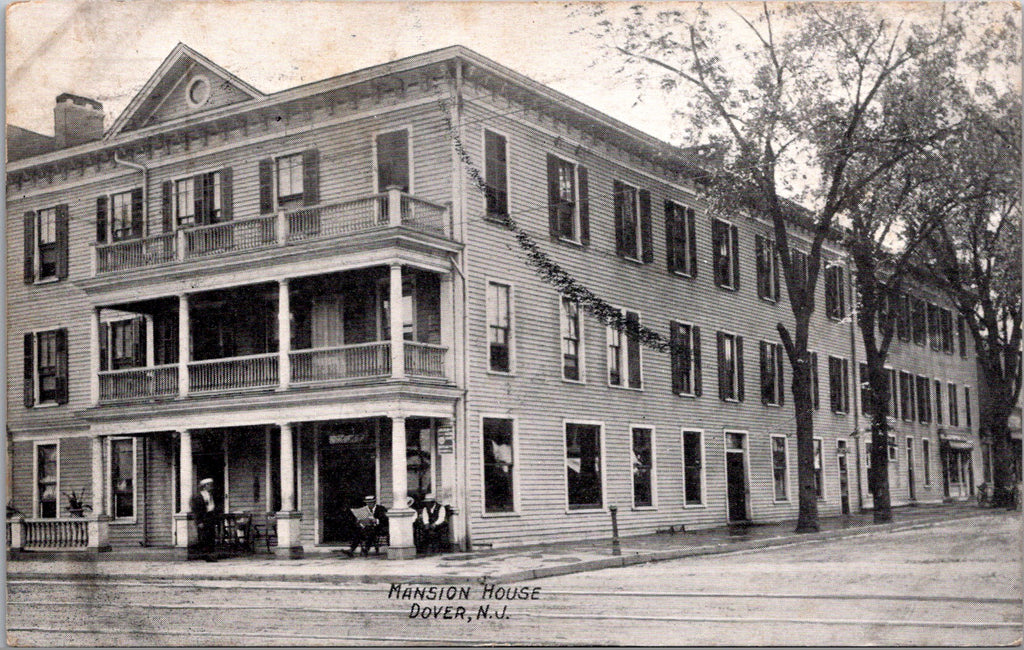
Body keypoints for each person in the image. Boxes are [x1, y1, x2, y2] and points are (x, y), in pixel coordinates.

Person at [190, 478, 219, 562]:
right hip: (203, 518)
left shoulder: (211, 495)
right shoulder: (198, 497)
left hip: (210, 517)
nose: (211, 487)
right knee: (204, 537)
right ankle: (206, 555)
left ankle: (211, 555)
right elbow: (196, 510)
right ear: (205, 486)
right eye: (210, 485)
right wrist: (199, 521)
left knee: (211, 536)